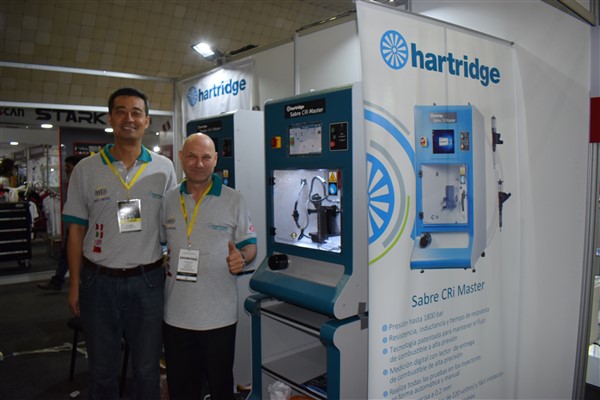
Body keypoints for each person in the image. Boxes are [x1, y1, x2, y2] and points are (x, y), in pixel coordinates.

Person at [62, 87, 177, 400]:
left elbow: (174, 222)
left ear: (147, 121)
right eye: (121, 111)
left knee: (147, 369)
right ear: (110, 118)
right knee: (101, 371)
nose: (129, 118)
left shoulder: (164, 168)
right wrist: (74, 285)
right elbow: (76, 231)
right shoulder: (86, 169)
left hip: (147, 282)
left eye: (136, 112)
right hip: (98, 282)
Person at [161, 133, 257, 399]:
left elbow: (250, 245)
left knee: (220, 387)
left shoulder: (234, 199)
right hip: (176, 315)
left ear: (215, 159)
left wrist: (242, 258)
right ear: (181, 157)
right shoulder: (168, 199)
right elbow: (159, 242)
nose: (199, 163)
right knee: (182, 388)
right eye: (192, 156)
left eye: (206, 157)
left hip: (219, 317)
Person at [38, 155, 82, 291]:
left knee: (74, 254)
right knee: (66, 253)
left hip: (84, 226)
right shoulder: (73, 183)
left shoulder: (84, 182)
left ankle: (62, 281)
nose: (65, 170)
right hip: (75, 224)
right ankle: (58, 280)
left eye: (68, 167)